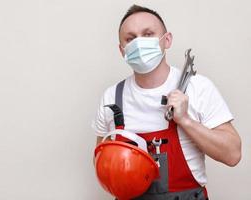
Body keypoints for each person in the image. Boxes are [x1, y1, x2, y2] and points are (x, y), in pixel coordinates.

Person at [91, 4, 241, 200]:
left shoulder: (197, 88)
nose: (139, 43)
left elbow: (233, 154)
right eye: (130, 38)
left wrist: (186, 121)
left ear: (167, 40)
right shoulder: (112, 97)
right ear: (122, 50)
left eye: (148, 34)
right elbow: (100, 160)